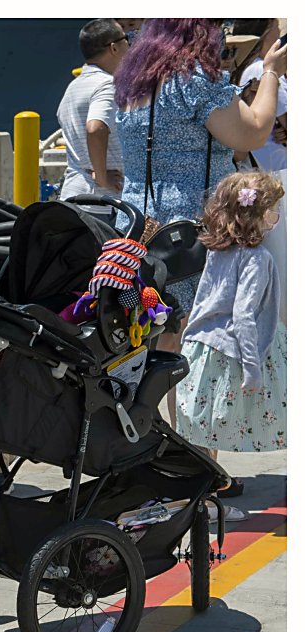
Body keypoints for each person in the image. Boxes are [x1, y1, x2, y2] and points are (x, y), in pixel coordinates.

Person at [113, 18, 286, 430]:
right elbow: (251, 134)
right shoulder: (192, 80)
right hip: (190, 228)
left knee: (151, 335)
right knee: (192, 339)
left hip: (137, 222)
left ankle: (142, 440)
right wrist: (271, 72)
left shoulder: (134, 81)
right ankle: (192, 448)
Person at [175, 171, 286, 511]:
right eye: (273, 208)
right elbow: (244, 314)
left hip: (202, 347)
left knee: (202, 429)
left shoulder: (218, 250)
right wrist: (252, 368)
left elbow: (203, 301)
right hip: (232, 351)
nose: (277, 215)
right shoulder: (258, 258)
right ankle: (205, 502)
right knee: (217, 426)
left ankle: (205, 498)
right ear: (257, 214)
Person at [58, 19, 131, 199]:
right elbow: (95, 128)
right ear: (114, 48)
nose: (129, 45)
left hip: (74, 192)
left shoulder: (73, 88)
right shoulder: (107, 85)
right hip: (102, 201)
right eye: (126, 39)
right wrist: (101, 177)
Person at [231, 20, 288, 171]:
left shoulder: (248, 67)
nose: (279, 34)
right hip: (278, 166)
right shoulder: (262, 69)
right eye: (277, 28)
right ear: (265, 33)